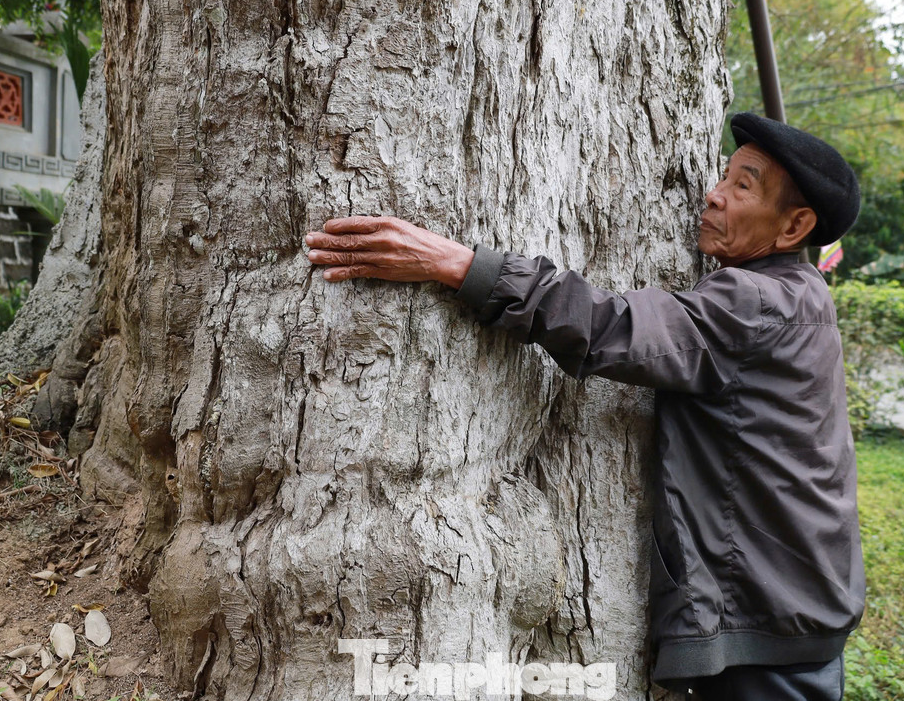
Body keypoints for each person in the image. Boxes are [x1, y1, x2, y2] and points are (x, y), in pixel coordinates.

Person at [303, 112, 865, 701]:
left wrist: (461, 265)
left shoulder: (758, 302)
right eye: (723, 176)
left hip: (770, 623)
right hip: (800, 602)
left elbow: (612, 328)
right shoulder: (802, 295)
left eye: (742, 186)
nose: (714, 194)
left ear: (795, 225)